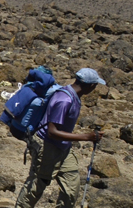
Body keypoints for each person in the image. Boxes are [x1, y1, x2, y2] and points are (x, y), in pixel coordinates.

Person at [15, 68, 106, 208]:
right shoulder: (64, 100)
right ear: (90, 85)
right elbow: (52, 132)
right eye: (95, 85)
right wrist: (86, 137)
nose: (95, 88)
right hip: (47, 147)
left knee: (71, 187)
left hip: (63, 148)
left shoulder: (73, 96)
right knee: (36, 186)